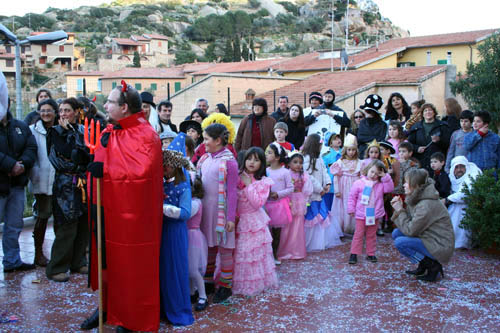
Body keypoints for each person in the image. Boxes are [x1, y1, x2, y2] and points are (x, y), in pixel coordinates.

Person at [81, 81, 163, 332]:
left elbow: (141, 172)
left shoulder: (145, 134)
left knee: (129, 264)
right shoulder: (110, 131)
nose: (105, 105)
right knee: (105, 259)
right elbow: (101, 158)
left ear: (125, 107)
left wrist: (104, 170)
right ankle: (106, 307)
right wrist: (85, 161)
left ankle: (130, 317)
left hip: (131, 215)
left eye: (110, 102)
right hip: (104, 205)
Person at [45, 98, 89, 283]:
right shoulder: (55, 132)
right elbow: (61, 155)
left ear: (76, 112)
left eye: (67, 110)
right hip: (65, 184)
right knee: (67, 225)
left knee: (83, 223)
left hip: (82, 183)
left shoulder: (82, 130)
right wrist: (65, 133)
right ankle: (57, 267)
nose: (63, 114)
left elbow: (87, 155)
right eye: (61, 110)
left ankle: (78, 261)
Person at [197, 123, 238, 304]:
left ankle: (226, 286)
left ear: (218, 140)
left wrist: (230, 218)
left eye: (206, 139)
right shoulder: (204, 159)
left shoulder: (229, 161)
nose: (203, 142)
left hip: (222, 212)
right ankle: (207, 282)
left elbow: (232, 192)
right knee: (209, 247)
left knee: (225, 249)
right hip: (206, 211)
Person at [391, 168, 454, 282]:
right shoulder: (418, 197)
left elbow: (410, 231)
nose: (404, 185)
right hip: (429, 237)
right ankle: (423, 264)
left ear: (415, 185)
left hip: (439, 244)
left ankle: (432, 266)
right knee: (396, 233)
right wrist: (401, 209)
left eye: (406, 182)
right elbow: (411, 224)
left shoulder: (426, 204)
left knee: (400, 243)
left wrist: (400, 211)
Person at [160, 134, 195, 326]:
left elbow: (185, 212)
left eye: (168, 164)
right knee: (162, 270)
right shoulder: (161, 182)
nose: (164, 167)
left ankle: (177, 309)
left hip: (174, 233)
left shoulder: (183, 185)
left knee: (174, 269)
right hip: (160, 231)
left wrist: (164, 209)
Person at [233, 147, 278, 296]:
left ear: (262, 164)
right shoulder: (237, 175)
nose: (252, 162)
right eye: (249, 158)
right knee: (238, 254)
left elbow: (257, 203)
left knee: (252, 255)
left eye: (256, 160)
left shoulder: (263, 181)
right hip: (237, 220)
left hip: (253, 221)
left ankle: (253, 284)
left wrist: (249, 185)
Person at [1, 98, 37, 273]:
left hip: (16, 185)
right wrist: (9, 165)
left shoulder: (20, 126)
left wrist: (22, 164)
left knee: (14, 225)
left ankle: (12, 260)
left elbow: (31, 148)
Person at [29, 98, 58, 267]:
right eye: (43, 110)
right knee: (42, 216)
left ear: (55, 112)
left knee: (60, 220)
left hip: (58, 181)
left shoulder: (60, 130)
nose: (46, 113)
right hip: (40, 179)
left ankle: (58, 254)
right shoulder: (32, 131)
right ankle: (38, 253)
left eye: (49, 110)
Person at [348, 160, 394, 264]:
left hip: (374, 214)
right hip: (361, 214)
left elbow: (390, 188)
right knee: (358, 234)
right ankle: (354, 253)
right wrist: (351, 209)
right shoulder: (358, 183)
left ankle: (371, 253)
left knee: (371, 235)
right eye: (372, 172)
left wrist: (386, 176)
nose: (374, 175)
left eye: (377, 174)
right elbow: (352, 197)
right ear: (367, 169)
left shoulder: (381, 185)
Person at [303, 134, 341, 251]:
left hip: (321, 194)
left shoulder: (319, 158)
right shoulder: (306, 159)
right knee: (313, 218)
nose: (321, 147)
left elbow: (325, 171)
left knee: (322, 217)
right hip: (312, 195)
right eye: (319, 145)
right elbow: (308, 177)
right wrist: (320, 189)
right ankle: (311, 243)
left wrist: (328, 184)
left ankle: (321, 241)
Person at [277, 151, 312, 260]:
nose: (298, 165)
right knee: (287, 225)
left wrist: (305, 198)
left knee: (298, 226)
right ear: (289, 163)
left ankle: (297, 251)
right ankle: (285, 251)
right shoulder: (286, 174)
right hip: (288, 200)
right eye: (295, 162)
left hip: (299, 200)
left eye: (300, 163)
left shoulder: (304, 175)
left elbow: (308, 189)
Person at [264, 143, 293, 264]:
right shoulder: (265, 171)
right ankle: (266, 255)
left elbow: (290, 188)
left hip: (279, 206)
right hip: (266, 205)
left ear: (277, 157)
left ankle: (275, 255)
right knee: (266, 232)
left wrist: (278, 194)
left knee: (276, 233)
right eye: (266, 152)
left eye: (269, 152)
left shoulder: (285, 172)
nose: (266, 154)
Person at [445, 156, 481, 249]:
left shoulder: (473, 174)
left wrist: (447, 200)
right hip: (455, 203)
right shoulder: (452, 177)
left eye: (462, 167)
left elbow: (465, 194)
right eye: (456, 167)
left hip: (470, 204)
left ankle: (462, 243)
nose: (459, 169)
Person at [330, 134, 362, 235]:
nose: (351, 152)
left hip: (355, 186)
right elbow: (336, 177)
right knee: (342, 206)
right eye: (349, 150)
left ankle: (353, 227)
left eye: (353, 150)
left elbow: (362, 177)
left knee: (355, 205)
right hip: (343, 186)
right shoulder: (340, 162)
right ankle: (341, 228)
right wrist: (337, 190)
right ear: (345, 150)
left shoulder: (360, 162)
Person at [187, 175, 209, 311]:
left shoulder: (195, 203)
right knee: (188, 268)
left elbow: (186, 214)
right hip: (187, 236)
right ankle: (191, 293)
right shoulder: (192, 201)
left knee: (193, 269)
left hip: (193, 237)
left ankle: (203, 296)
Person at [407, 103, 450, 172]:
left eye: (430, 110)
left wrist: (439, 140)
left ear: (434, 112)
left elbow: (447, 143)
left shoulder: (442, 126)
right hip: (420, 161)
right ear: (422, 114)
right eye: (425, 110)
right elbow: (409, 144)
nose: (428, 112)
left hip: (437, 163)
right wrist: (417, 148)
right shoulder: (416, 127)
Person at [379, 140, 400, 235]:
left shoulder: (393, 161)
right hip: (380, 187)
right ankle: (380, 225)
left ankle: (390, 225)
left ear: (388, 151)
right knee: (381, 206)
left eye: (382, 149)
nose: (380, 151)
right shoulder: (379, 160)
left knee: (389, 207)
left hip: (391, 187)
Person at [322, 132, 342, 212]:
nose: (338, 140)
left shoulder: (345, 154)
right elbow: (323, 171)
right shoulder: (326, 156)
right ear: (330, 143)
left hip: (342, 184)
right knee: (328, 207)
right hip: (330, 186)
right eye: (335, 139)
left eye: (339, 138)